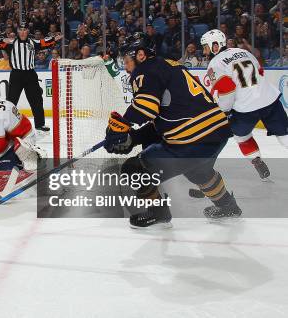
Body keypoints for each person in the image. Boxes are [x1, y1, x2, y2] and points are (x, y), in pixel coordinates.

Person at [104, 35, 241, 228]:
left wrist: (123, 125)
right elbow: (163, 119)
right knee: (198, 171)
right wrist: (133, 138)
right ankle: (228, 206)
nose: (125, 66)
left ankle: (158, 212)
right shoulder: (169, 65)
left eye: (127, 60)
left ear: (141, 55)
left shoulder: (144, 70)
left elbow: (146, 108)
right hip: (217, 133)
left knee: (133, 169)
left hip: (192, 139)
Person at [202, 29, 288, 179]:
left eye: (206, 46)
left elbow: (227, 91)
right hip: (270, 99)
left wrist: (224, 111)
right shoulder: (243, 52)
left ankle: (256, 160)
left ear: (215, 45)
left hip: (245, 108)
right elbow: (260, 71)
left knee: (241, 136)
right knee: (284, 135)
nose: (205, 50)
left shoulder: (215, 63)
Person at [0, 22, 62, 133]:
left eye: (25, 30)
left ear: (28, 31)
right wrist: (2, 39)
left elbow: (45, 42)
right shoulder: (12, 43)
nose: (23, 32)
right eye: (21, 30)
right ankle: (6, 125)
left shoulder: (33, 42)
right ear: (18, 31)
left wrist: (55, 38)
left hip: (30, 74)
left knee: (37, 100)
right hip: (16, 75)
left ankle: (40, 124)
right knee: (11, 101)